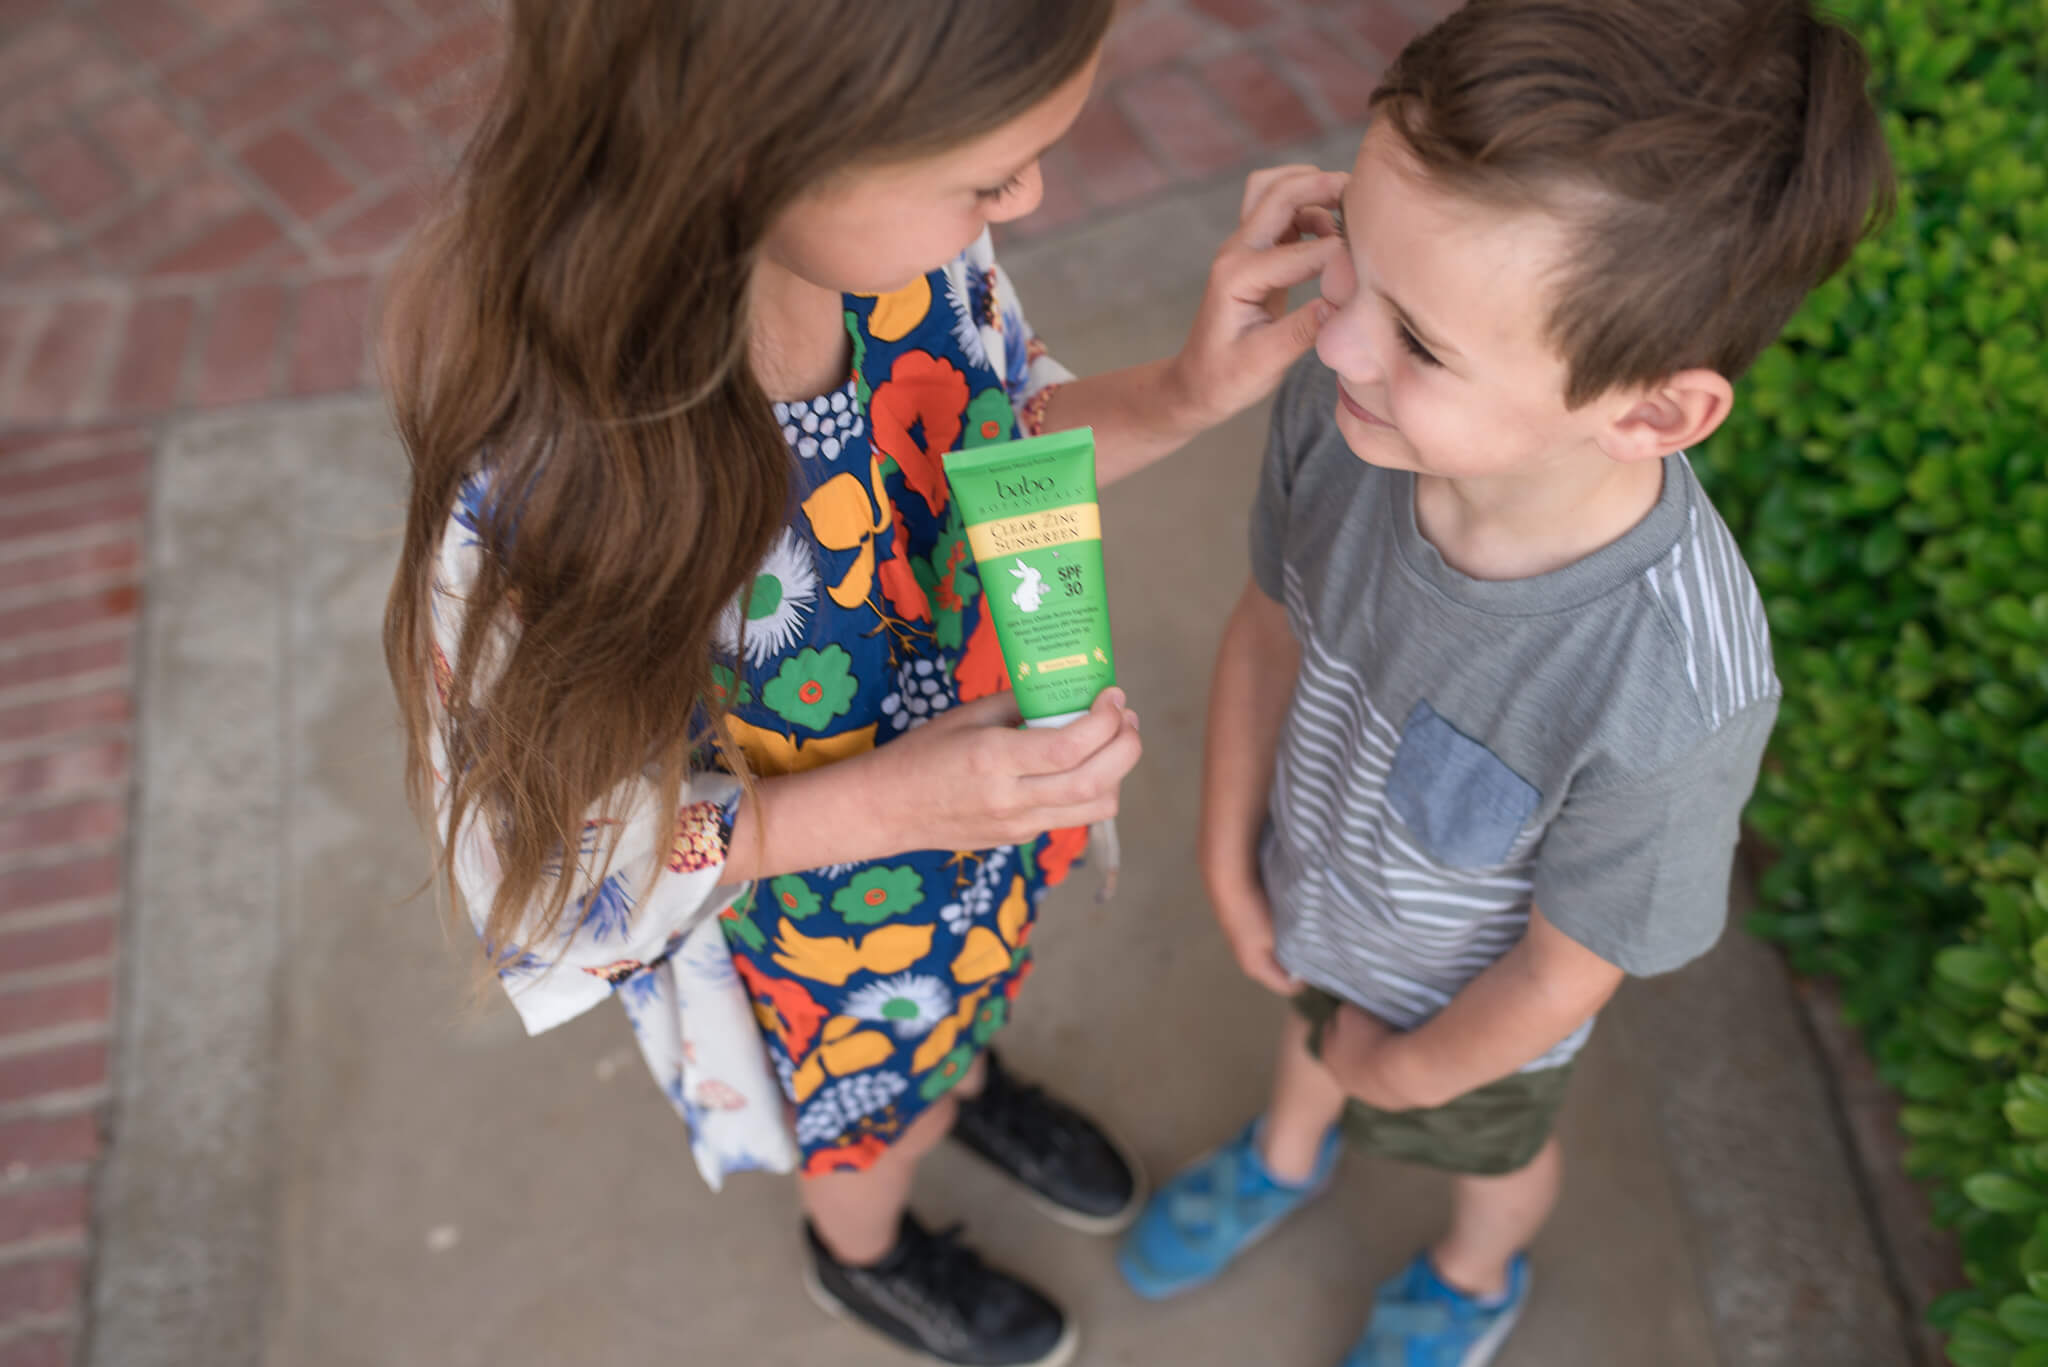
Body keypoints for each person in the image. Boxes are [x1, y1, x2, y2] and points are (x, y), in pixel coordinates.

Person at [380, 3, 1344, 1364]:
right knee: (867, 1117)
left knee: (959, 1011)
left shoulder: (900, 247)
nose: (1026, 200)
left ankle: (961, 1076)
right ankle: (869, 1252)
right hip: (814, 934)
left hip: (972, 827)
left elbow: (995, 447)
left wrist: (1185, 390)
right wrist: (873, 812)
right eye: (986, 177)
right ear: (749, 157)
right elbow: (568, 854)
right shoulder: (551, 480)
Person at [1117, 1, 1893, 1363]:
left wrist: (1400, 1068)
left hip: (1465, 1026)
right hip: (1316, 895)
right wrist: (1230, 855)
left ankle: (1476, 1276)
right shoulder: (1345, 411)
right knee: (1306, 1039)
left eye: (1422, 341)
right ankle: (1288, 1154)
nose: (1338, 339)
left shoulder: (1674, 680)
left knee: (1484, 1158)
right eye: (1351, 251)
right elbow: (1267, 627)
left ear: (1650, 411)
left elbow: (1561, 972)